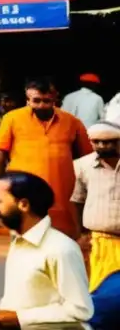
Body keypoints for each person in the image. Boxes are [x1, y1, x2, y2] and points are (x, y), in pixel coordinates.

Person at [0, 171, 93, 328]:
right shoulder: (19, 242)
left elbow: (80, 310)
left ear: (24, 205)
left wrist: (19, 318)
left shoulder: (61, 249)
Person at [0, 78, 93, 240]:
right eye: (36, 101)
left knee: (64, 244)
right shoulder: (12, 119)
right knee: (25, 242)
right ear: (27, 101)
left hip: (63, 196)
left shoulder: (72, 122)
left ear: (55, 100)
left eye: (46, 101)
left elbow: (87, 158)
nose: (41, 105)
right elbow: (0, 154)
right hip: (23, 195)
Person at [72, 120, 120, 293]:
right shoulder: (82, 166)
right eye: (96, 142)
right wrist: (81, 235)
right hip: (98, 242)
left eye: (107, 142)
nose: (101, 146)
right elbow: (77, 201)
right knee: (99, 291)